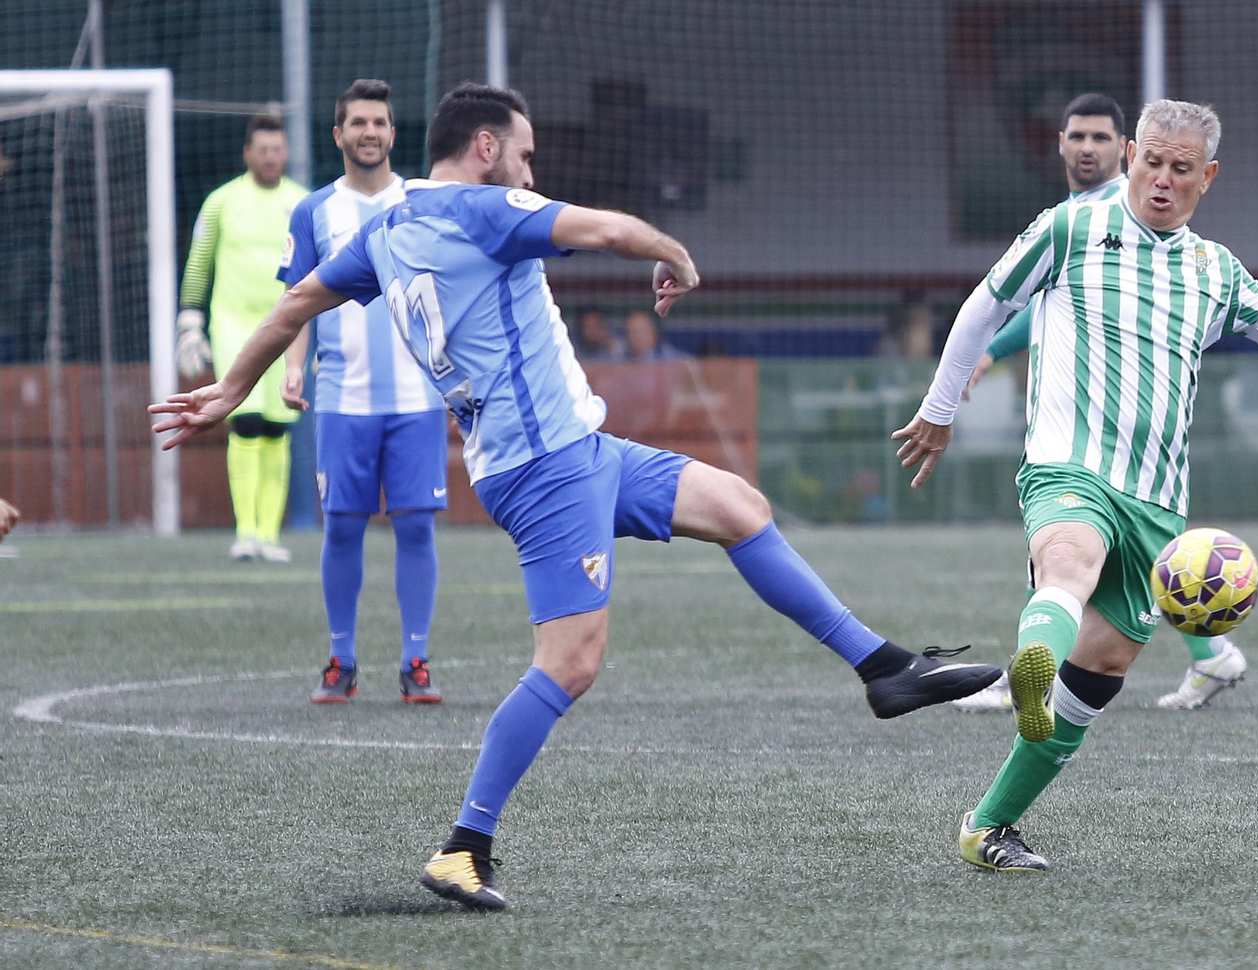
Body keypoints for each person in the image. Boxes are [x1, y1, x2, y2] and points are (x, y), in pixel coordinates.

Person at [151, 82, 1001, 909]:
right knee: (571, 662)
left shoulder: (385, 232)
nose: (529, 173)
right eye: (524, 155)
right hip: (546, 466)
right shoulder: (479, 209)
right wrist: (672, 253)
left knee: (740, 507)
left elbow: (297, 300)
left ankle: (884, 670)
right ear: (485, 148)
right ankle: (462, 847)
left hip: (572, 450)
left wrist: (232, 386)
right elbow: (604, 228)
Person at [892, 99, 1258, 871]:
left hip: (1157, 503)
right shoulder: (1068, 230)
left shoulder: (1213, 269)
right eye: (1151, 161)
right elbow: (982, 309)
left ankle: (988, 827)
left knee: (1108, 664)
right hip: (1069, 465)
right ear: (1129, 156)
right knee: (1068, 562)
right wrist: (939, 409)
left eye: (1180, 169)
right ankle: (1031, 672)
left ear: (1207, 177)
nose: (1161, 179)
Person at [954, 93, 1248, 714]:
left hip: (1123, 430)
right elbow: (1041, 301)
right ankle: (1201, 656)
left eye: (1101, 138)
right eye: (1077, 136)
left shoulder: (1127, 214)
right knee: (1070, 551)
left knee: (1074, 552)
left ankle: (1038, 667)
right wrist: (989, 352)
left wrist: (990, 351)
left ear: (1124, 150)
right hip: (1075, 417)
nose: (1089, 147)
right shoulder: (1074, 218)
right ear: (1059, 143)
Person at [276, 79, 447, 705]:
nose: (369, 132)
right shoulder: (315, 211)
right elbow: (296, 302)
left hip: (418, 398)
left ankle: (417, 661)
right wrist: (294, 369)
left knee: (418, 530)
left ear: (393, 133)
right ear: (338, 134)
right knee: (341, 529)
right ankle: (341, 661)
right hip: (343, 400)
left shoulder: (427, 203)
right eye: (357, 123)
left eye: (379, 122)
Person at [176, 113, 309, 562]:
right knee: (246, 422)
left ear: (286, 154)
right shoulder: (221, 201)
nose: (271, 157)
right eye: (263, 150)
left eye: (278, 150)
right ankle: (245, 532)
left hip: (285, 328)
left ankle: (270, 536)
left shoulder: (303, 203)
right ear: (248, 154)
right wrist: (189, 320)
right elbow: (199, 262)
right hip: (233, 323)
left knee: (278, 429)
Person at [623, 307, 689, 360]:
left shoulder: (671, 360)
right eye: (632, 332)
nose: (637, 338)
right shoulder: (620, 361)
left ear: (654, 333)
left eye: (641, 332)